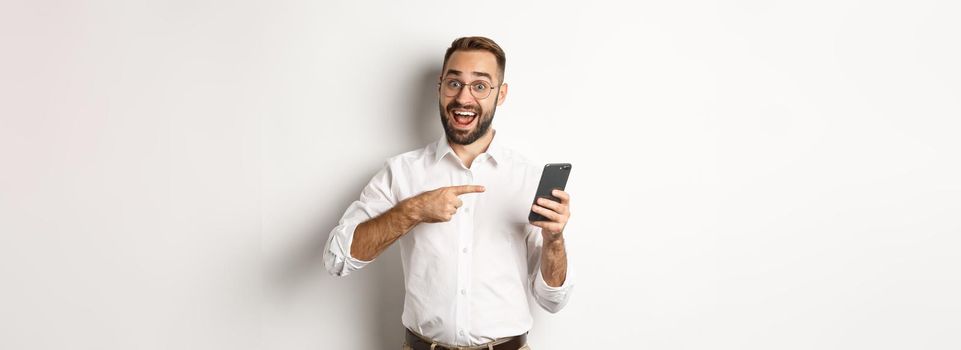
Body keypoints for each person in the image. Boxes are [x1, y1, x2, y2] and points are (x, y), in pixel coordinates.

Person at [324, 36, 573, 350]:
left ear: (502, 94)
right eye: (454, 83)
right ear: (440, 88)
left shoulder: (528, 178)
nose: (464, 98)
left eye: (480, 86)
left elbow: (553, 300)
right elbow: (337, 259)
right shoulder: (401, 172)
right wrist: (411, 211)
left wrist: (554, 241)